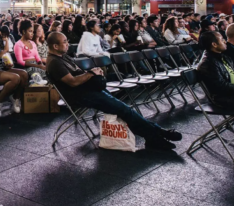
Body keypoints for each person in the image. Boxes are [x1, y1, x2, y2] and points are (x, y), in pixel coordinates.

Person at [46, 32, 183, 150]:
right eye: (64, 42)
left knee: (124, 109)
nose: (68, 44)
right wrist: (91, 74)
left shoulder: (63, 57)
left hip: (87, 90)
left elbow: (79, 73)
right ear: (55, 46)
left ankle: (155, 134)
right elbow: (73, 82)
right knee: (123, 110)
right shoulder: (54, 63)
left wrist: (94, 73)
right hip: (78, 96)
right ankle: (156, 134)